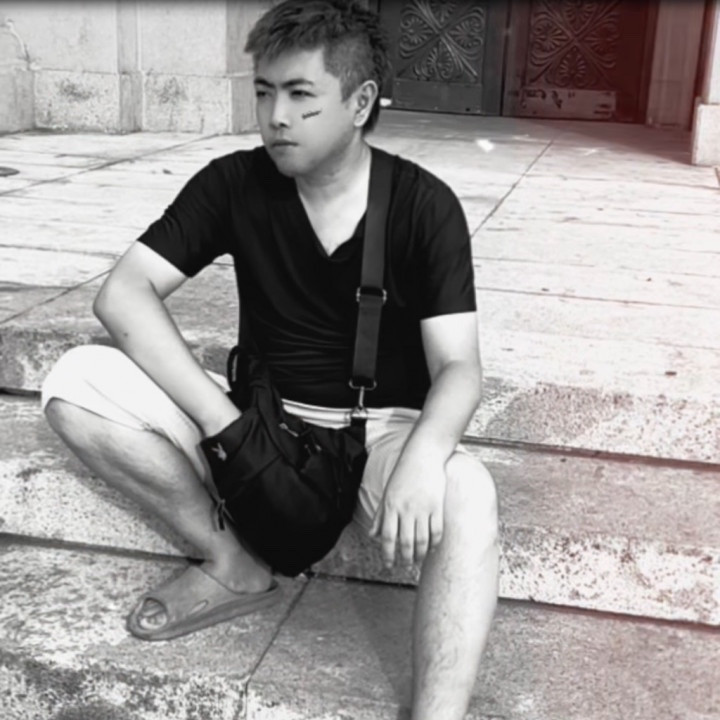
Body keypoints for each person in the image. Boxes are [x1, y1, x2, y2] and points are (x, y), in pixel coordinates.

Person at [41, 1, 499, 717]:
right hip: (259, 422)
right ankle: (233, 559)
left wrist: (424, 455)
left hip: (377, 433)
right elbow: (124, 293)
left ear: (360, 103)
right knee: (75, 382)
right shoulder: (233, 183)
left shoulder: (423, 206)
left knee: (468, 492)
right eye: (263, 92)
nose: (275, 117)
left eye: (299, 94)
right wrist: (221, 421)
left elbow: (460, 368)